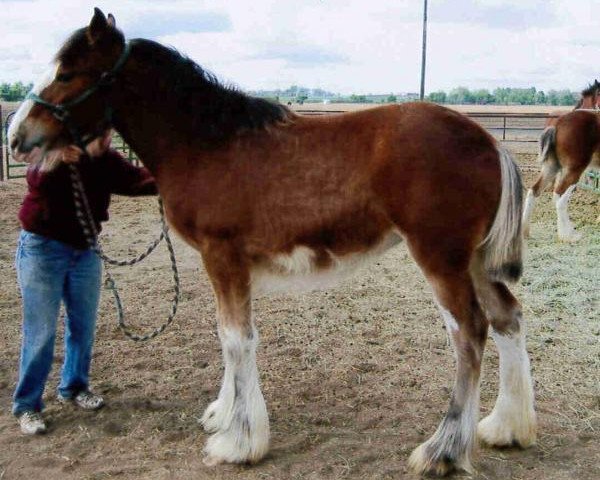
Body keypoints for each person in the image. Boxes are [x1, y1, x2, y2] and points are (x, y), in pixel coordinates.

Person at [13, 130, 157, 434]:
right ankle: (27, 405)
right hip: (43, 249)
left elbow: (136, 181)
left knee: (83, 326)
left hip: (85, 250)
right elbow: (34, 177)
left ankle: (75, 387)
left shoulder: (107, 159)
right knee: (41, 332)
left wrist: (176, 174)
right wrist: (55, 157)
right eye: (102, 131)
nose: (109, 136)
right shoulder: (56, 148)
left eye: (110, 131)